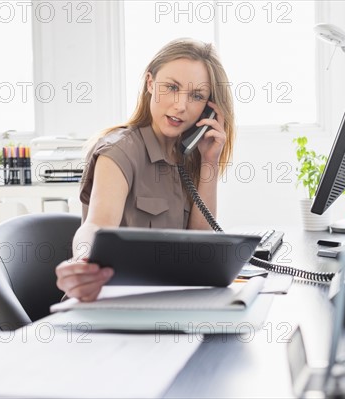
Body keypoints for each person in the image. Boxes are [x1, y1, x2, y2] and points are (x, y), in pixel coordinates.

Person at [55, 38, 235, 302]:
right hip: (111, 301)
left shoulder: (190, 157)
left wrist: (209, 162)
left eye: (196, 96)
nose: (181, 105)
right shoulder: (119, 151)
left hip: (166, 299)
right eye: (171, 87)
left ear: (208, 107)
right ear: (150, 83)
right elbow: (96, 224)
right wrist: (83, 261)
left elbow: (200, 244)